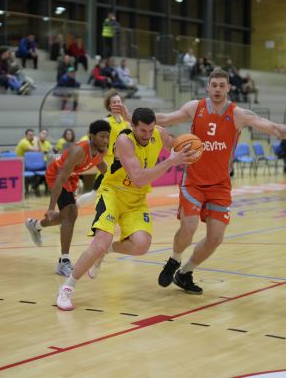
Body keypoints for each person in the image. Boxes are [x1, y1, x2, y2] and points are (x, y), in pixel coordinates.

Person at [116, 68, 286, 295]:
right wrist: (130, 117)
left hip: (220, 184)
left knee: (215, 238)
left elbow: (271, 127)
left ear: (228, 88)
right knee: (189, 226)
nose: (217, 89)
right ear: (208, 87)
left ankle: (185, 272)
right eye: (214, 85)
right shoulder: (195, 107)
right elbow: (164, 119)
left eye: (221, 85)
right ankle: (174, 259)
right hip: (193, 180)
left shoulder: (238, 114)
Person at [55, 108, 196, 310]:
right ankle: (67, 287)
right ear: (133, 127)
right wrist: (171, 161)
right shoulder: (124, 141)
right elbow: (138, 178)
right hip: (113, 193)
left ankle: (107, 251)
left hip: (136, 199)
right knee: (100, 242)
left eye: (150, 130)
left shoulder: (159, 133)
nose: (147, 135)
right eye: (142, 131)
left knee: (141, 245)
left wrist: (192, 149)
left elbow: (175, 145)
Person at [25, 120, 111, 276]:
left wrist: (117, 181)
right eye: (101, 136)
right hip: (56, 175)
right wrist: (51, 208)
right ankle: (63, 261)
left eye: (107, 136)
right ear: (91, 136)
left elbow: (101, 164)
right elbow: (59, 180)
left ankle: (36, 225)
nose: (105, 140)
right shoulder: (78, 151)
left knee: (66, 215)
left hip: (71, 177)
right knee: (71, 214)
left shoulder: (102, 149)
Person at [76, 90, 130, 209]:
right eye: (114, 102)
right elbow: (91, 136)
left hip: (122, 165)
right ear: (109, 105)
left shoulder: (126, 122)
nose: (117, 104)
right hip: (108, 163)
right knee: (96, 193)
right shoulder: (106, 122)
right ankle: (74, 206)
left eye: (119, 101)